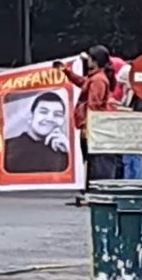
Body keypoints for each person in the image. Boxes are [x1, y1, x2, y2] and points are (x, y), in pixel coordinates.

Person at [54, 45, 118, 182]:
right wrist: (67, 72)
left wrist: (87, 126)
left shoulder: (98, 80)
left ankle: (92, 191)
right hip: (92, 126)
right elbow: (82, 82)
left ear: (95, 61)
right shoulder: (96, 78)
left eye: (90, 57)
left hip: (92, 127)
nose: (87, 59)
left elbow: (94, 105)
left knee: (93, 161)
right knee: (91, 161)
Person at [4, 92, 69, 173]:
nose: (50, 118)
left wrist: (69, 152)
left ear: (62, 121)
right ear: (30, 116)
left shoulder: (65, 150)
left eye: (57, 114)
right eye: (43, 112)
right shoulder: (7, 147)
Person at [115, 63, 142, 179]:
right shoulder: (129, 92)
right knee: (127, 159)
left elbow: (138, 111)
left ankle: (136, 181)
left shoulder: (139, 94)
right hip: (128, 131)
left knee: (135, 159)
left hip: (136, 132)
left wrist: (123, 109)